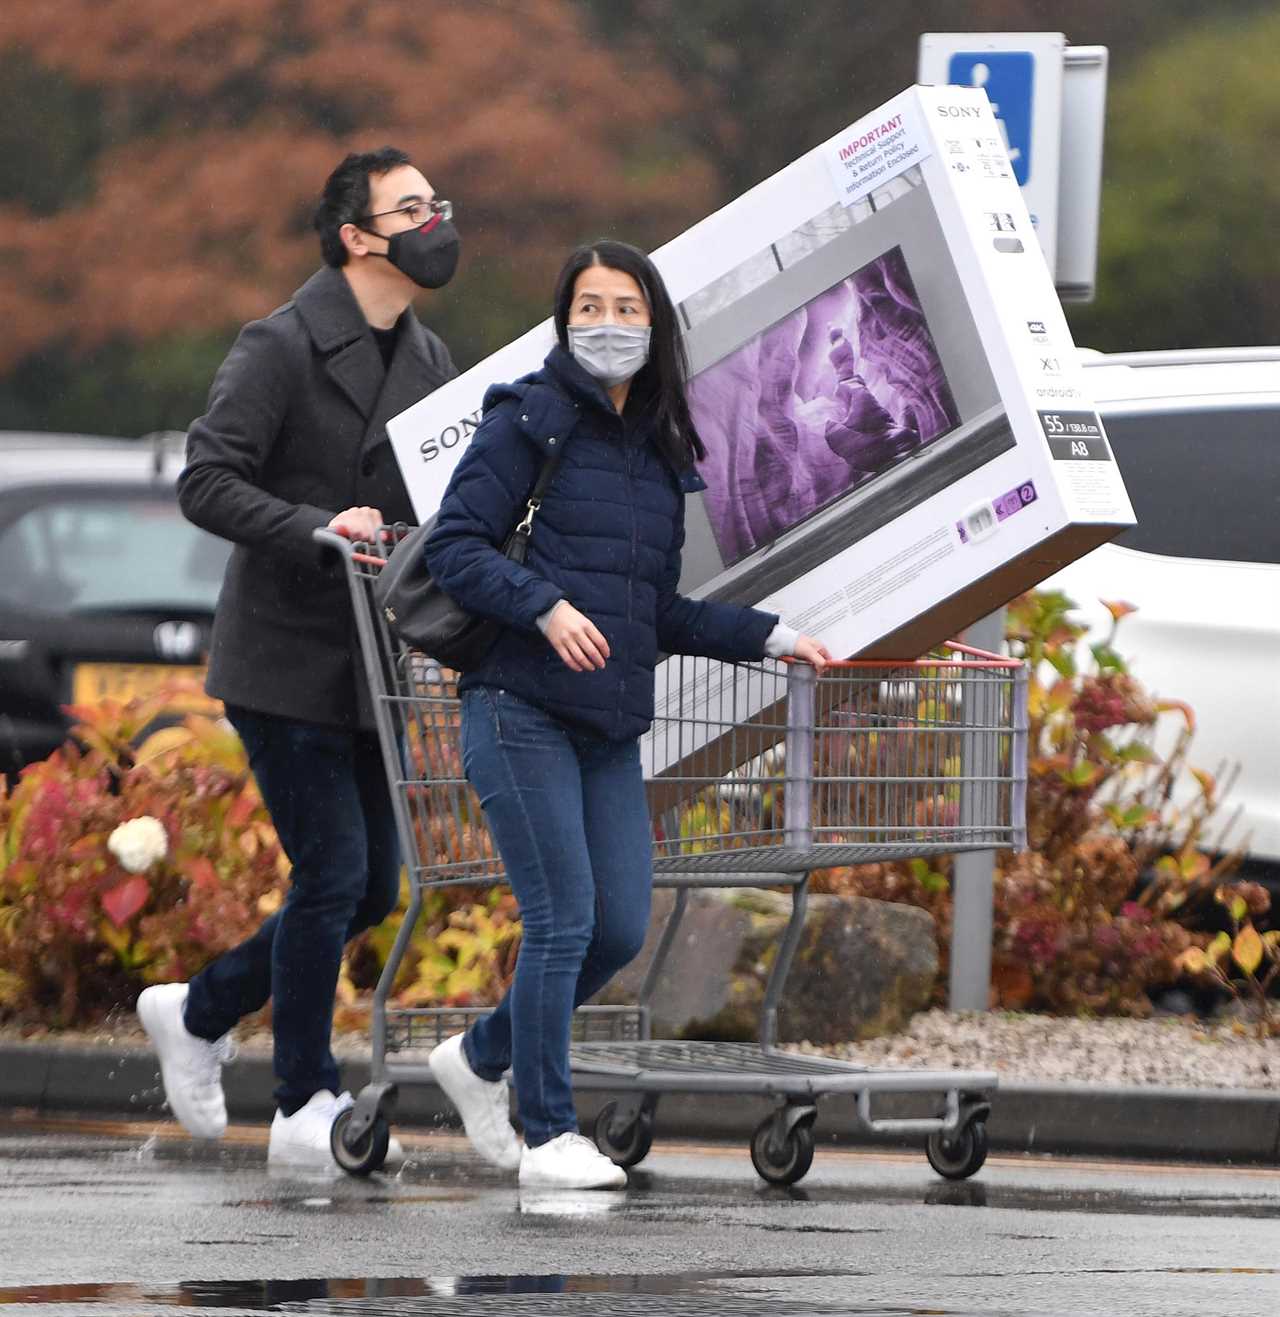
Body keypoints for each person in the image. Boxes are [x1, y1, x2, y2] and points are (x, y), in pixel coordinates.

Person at [423, 240, 831, 1190]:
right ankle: (548, 1134)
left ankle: (479, 1056)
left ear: (655, 324)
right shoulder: (529, 422)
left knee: (614, 930)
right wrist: (545, 606)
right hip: (517, 705)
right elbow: (454, 548)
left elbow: (660, 610)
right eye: (589, 306)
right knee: (562, 918)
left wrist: (772, 637)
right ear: (564, 320)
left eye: (626, 307)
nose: (608, 324)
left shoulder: (658, 451)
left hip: (606, 722)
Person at [136, 147, 460, 1165]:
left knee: (371, 891)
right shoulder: (276, 346)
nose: (435, 221)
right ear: (358, 236)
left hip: (373, 664)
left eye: (435, 204)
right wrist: (316, 524)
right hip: (281, 659)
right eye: (411, 209)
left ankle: (198, 1011)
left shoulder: (431, 360)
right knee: (331, 873)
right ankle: (303, 1103)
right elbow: (206, 480)